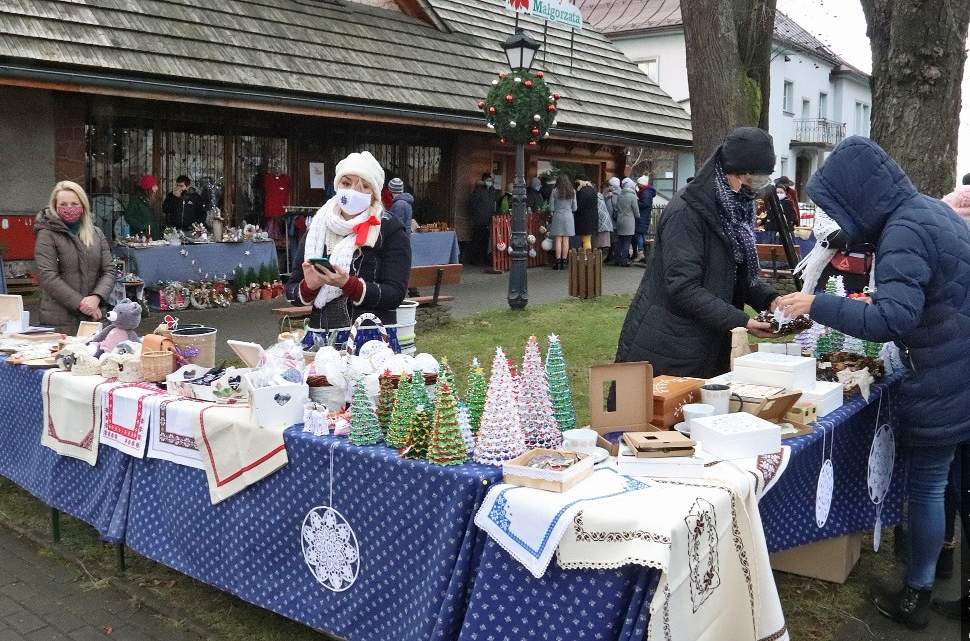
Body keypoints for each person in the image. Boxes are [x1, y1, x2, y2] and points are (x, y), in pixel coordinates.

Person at [776, 137, 970, 630]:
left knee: (928, 486)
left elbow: (896, 321)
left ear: (858, 195)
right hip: (958, 365)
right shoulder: (930, 211)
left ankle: (918, 593)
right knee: (950, 483)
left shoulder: (904, 229)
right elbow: (931, 295)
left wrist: (815, 305)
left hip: (942, 375)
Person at [616, 127, 780, 377]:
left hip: (707, 339)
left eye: (761, 182)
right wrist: (742, 321)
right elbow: (683, 287)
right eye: (752, 181)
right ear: (731, 173)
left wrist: (770, 300)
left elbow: (735, 274)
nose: (754, 190)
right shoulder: (687, 212)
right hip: (671, 345)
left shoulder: (732, 210)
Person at [286, 151, 410, 331]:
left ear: (374, 193)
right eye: (346, 183)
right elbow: (291, 291)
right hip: (321, 337)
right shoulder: (318, 227)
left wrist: (348, 284)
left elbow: (395, 294)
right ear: (337, 185)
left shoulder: (390, 229)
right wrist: (309, 286)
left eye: (363, 187)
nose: (353, 192)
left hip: (370, 337)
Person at [34, 181, 115, 334]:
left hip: (93, 318)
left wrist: (97, 297)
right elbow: (48, 277)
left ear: (83, 205)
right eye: (63, 204)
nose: (69, 208)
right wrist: (82, 304)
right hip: (59, 320)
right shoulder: (46, 234)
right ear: (55, 206)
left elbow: (109, 271)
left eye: (74, 203)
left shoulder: (96, 233)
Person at [548, 174, 576, 270]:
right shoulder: (572, 191)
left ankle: (557, 262)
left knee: (558, 239)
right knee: (566, 240)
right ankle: (564, 262)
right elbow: (575, 208)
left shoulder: (555, 191)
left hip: (558, 216)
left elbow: (551, 207)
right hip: (568, 216)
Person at [468, 177, 495, 266]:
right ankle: (475, 259)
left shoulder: (490, 192)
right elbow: (473, 206)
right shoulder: (478, 192)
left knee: (484, 241)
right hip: (479, 220)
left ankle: (481, 259)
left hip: (486, 220)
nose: (489, 183)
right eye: (488, 180)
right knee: (477, 240)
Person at [613, 178, 639, 267]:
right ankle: (624, 260)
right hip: (629, 221)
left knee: (620, 241)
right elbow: (636, 211)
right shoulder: (632, 196)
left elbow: (616, 207)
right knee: (627, 241)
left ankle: (617, 259)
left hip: (620, 220)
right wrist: (638, 216)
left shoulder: (620, 195)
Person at [126, 175, 160, 239]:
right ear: (148, 188)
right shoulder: (136, 200)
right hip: (141, 237)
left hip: (152, 236)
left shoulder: (150, 199)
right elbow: (128, 216)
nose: (157, 188)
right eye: (154, 186)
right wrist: (142, 227)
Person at [634, 176, 656, 263]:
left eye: (639, 184)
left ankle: (640, 252)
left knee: (639, 234)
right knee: (641, 234)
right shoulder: (647, 192)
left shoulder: (645, 193)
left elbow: (644, 204)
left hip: (642, 216)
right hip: (645, 216)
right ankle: (642, 252)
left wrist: (636, 201)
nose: (638, 185)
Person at [574, 177, 598, 250]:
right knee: (587, 239)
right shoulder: (593, 190)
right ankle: (586, 257)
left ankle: (586, 257)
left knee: (585, 240)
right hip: (592, 218)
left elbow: (579, 206)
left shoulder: (582, 191)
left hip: (584, 219)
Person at [595, 185, 614, 257]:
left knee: (599, 242)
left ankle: (600, 258)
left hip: (600, 222)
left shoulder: (595, 198)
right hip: (607, 221)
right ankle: (603, 256)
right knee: (605, 242)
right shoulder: (600, 196)